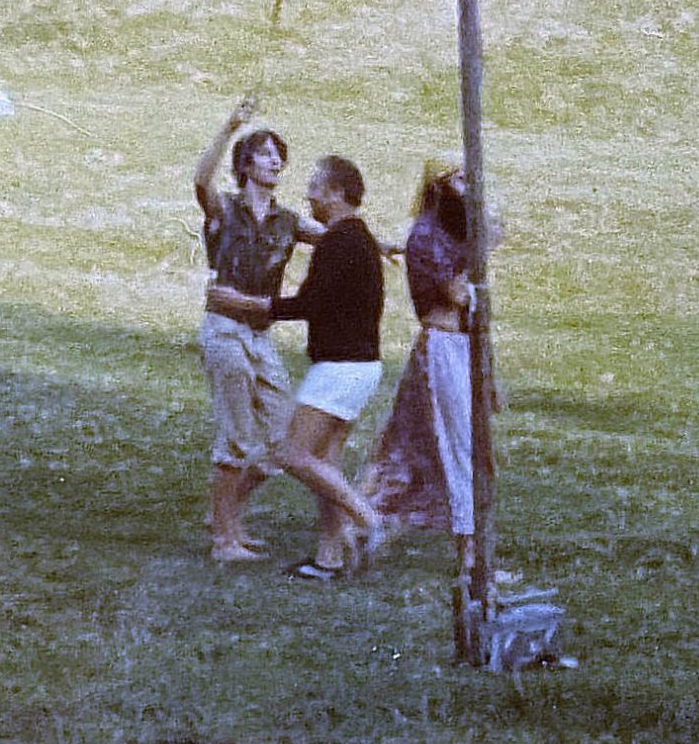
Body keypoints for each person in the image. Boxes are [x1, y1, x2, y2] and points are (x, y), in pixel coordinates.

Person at [207, 154, 387, 580]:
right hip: (359, 367)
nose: (308, 193)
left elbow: (308, 304)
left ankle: (369, 520)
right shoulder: (353, 238)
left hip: (341, 368)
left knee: (291, 452)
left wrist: (251, 305)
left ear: (337, 193)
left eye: (316, 186)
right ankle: (329, 559)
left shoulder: (339, 243)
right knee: (325, 461)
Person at [360, 158, 496, 576]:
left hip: (466, 344)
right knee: (450, 445)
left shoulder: (454, 232)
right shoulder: (425, 235)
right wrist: (479, 251)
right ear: (439, 184)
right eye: (457, 178)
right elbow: (454, 293)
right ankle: (469, 552)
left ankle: (371, 520)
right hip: (442, 346)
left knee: (467, 445)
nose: (466, 185)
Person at [192, 99, 311, 563]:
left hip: (260, 336)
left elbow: (338, 239)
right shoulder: (226, 209)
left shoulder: (288, 221)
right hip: (225, 331)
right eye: (264, 154)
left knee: (284, 439)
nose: (275, 161)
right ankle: (225, 539)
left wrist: (383, 245)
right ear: (244, 165)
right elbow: (201, 181)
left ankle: (227, 518)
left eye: (278, 154)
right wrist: (229, 127)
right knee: (238, 436)